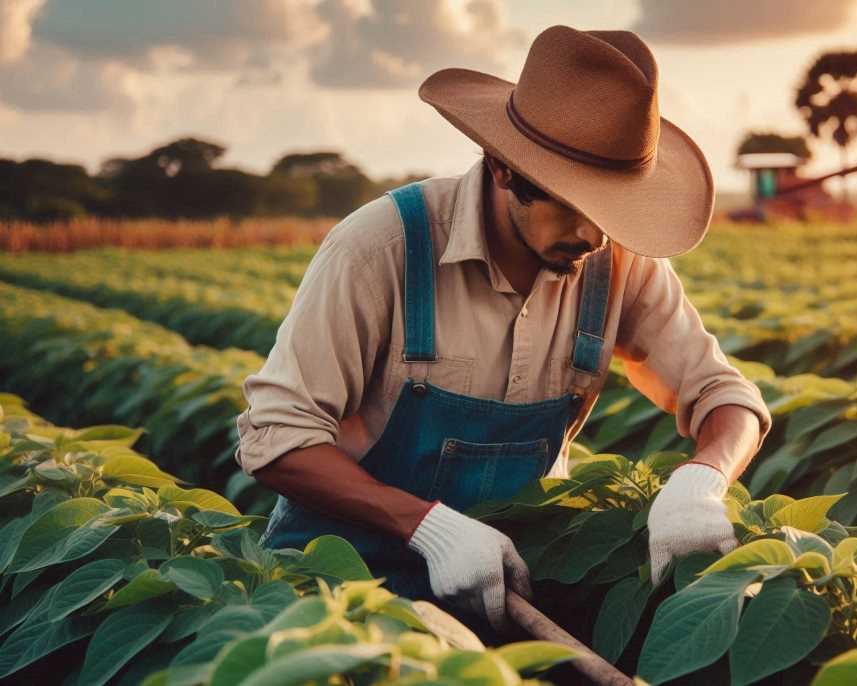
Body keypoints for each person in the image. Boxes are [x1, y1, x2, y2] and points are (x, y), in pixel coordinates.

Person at [234, 25, 772, 643]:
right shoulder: (380, 248)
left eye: (610, 211)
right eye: (570, 204)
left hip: (505, 586)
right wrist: (428, 526)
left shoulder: (618, 261)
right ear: (503, 168)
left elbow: (726, 395)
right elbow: (276, 437)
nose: (592, 235)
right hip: (344, 596)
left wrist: (701, 481)